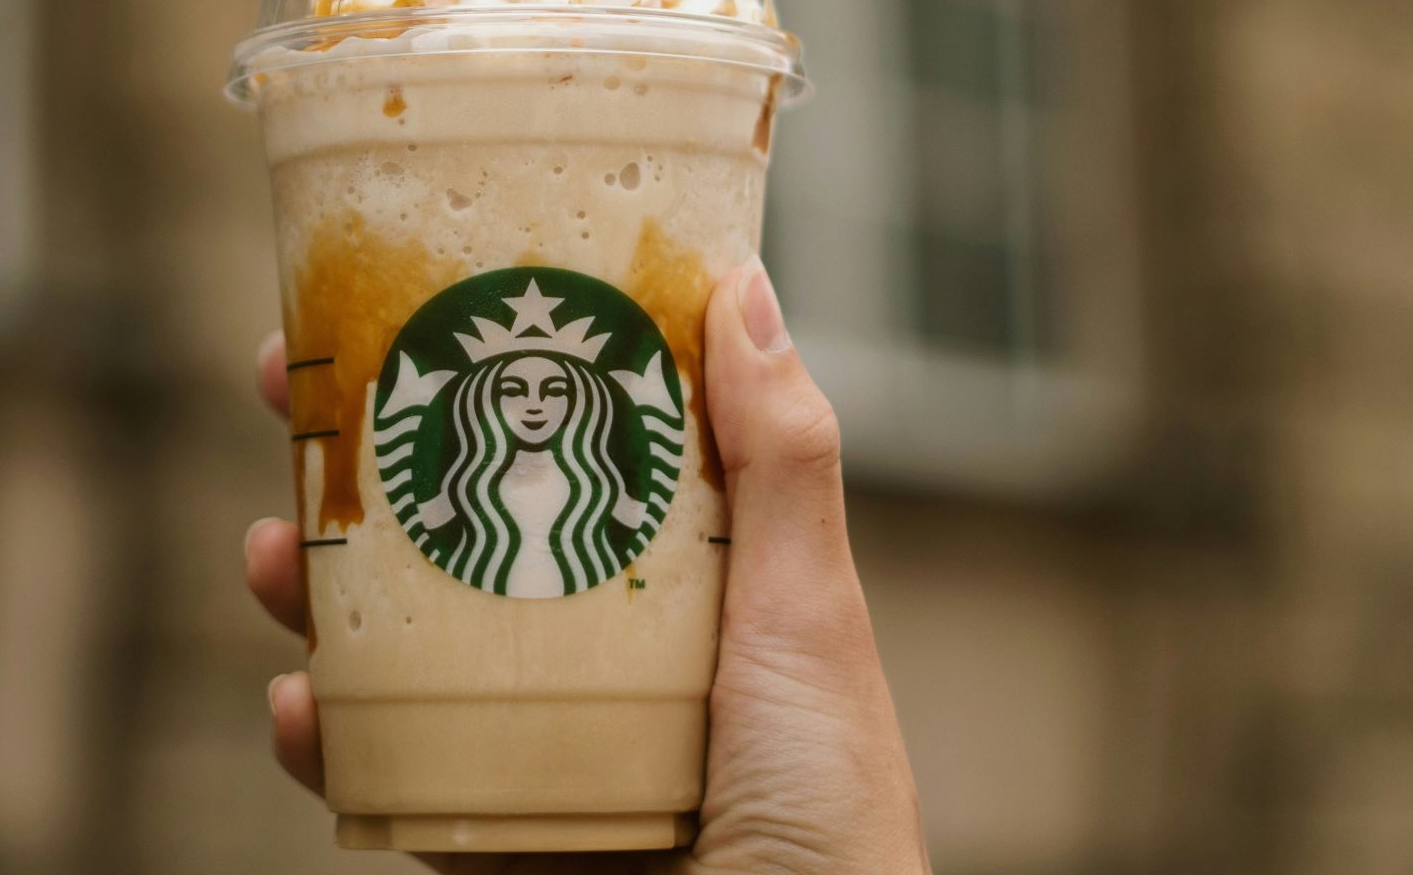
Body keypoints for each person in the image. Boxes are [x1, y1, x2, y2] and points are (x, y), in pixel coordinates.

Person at [246, 258, 932, 873]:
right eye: (515, 390)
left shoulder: (602, 500)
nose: (537, 407)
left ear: (587, 398)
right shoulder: (466, 501)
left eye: (558, 391)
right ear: (482, 398)